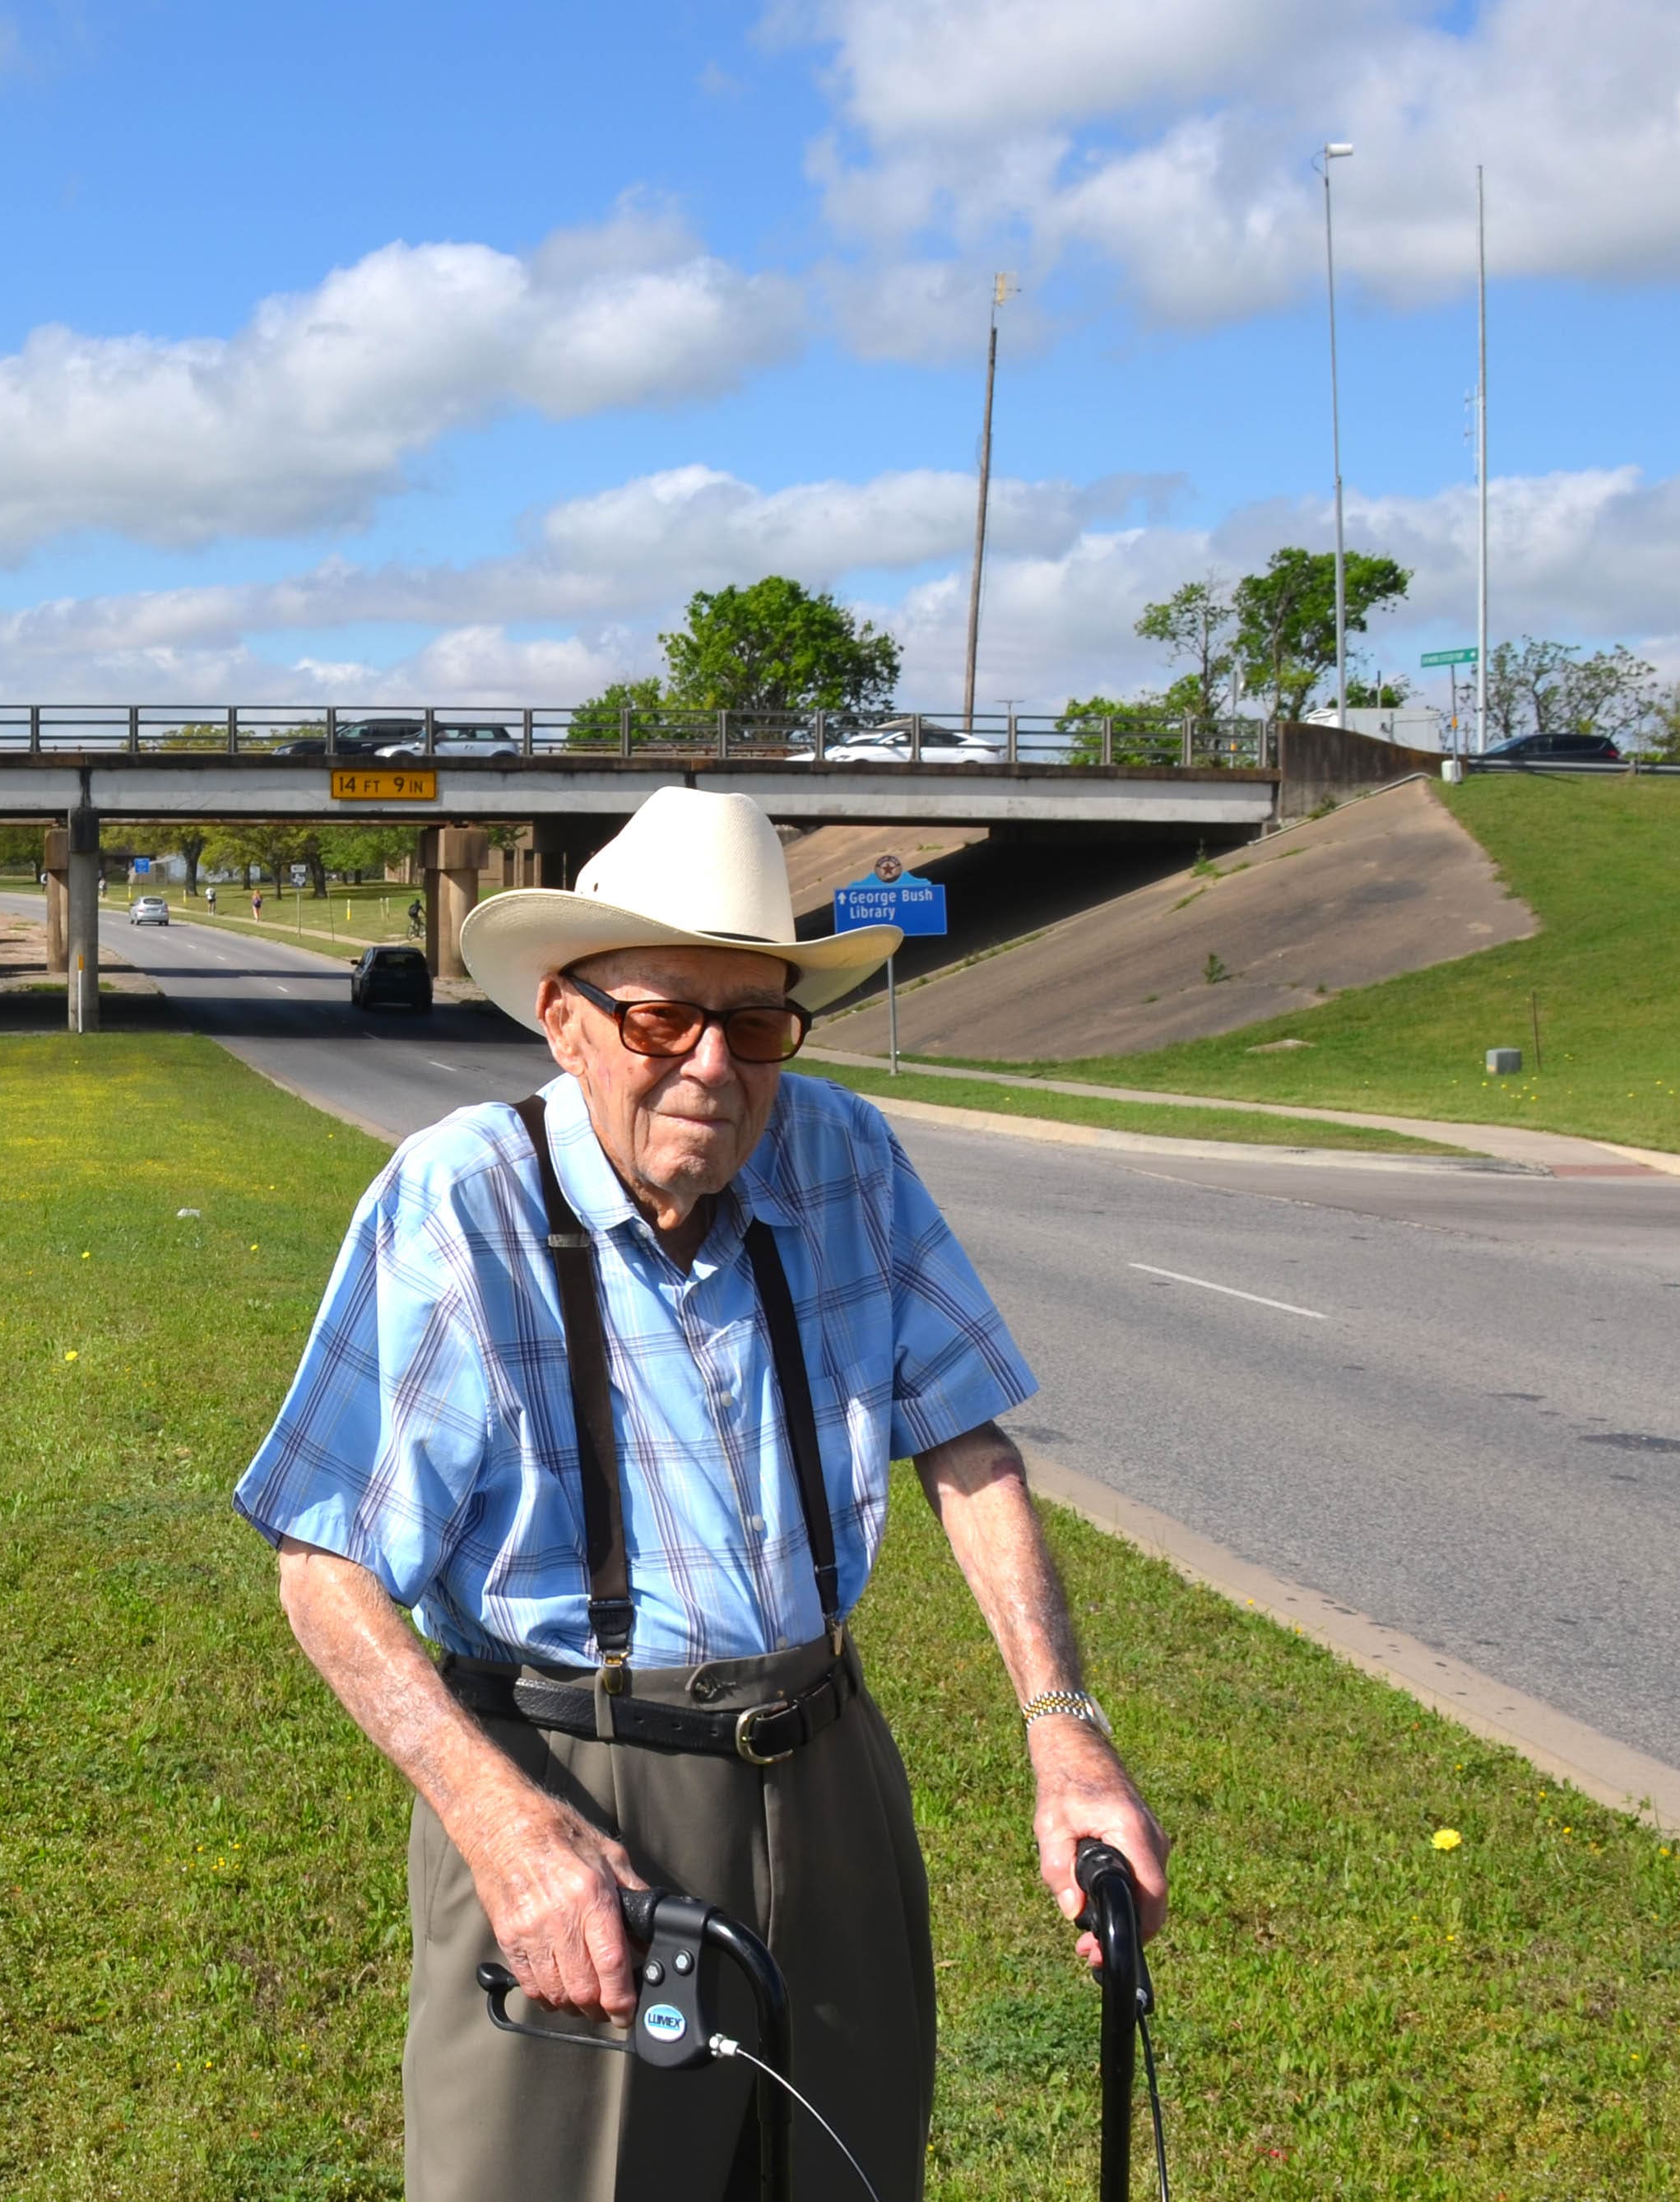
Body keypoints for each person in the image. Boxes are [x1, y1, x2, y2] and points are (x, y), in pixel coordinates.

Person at [234, 786, 1165, 2202]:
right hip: (573, 1779)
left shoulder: (845, 1156)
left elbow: (967, 1450)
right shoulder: (461, 1201)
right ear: (565, 1017)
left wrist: (1066, 1735)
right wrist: (504, 1826)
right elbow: (325, 1566)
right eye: (666, 1019)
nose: (714, 1067)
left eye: (758, 1022)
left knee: (847, 2175)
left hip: (828, 1767)